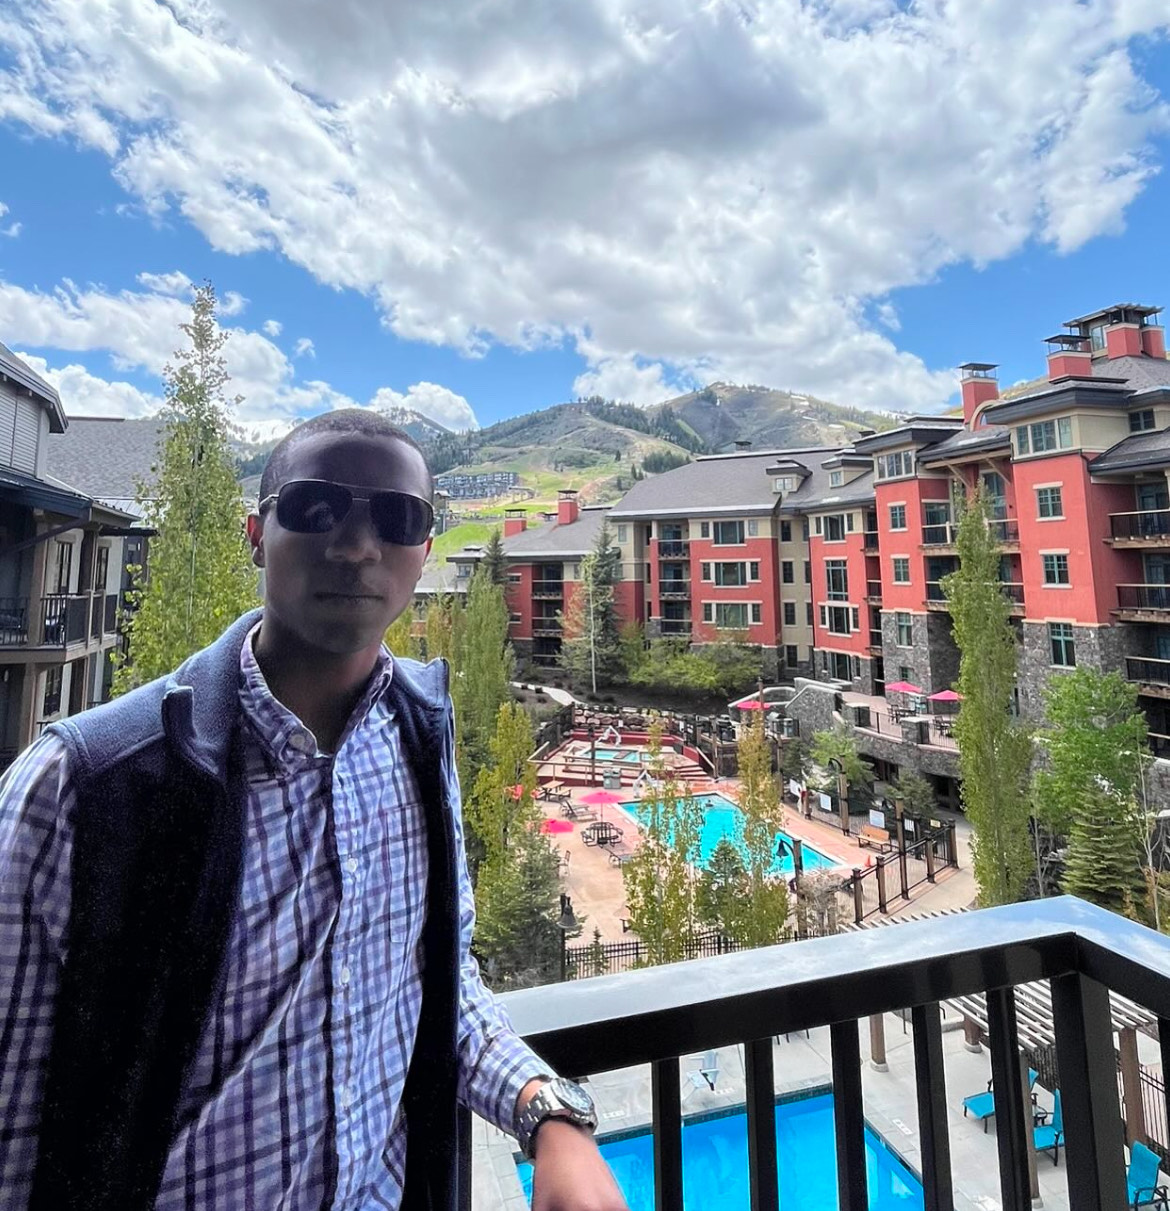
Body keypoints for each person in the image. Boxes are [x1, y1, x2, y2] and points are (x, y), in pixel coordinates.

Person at [0, 410, 626, 1211]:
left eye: (397, 517)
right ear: (256, 534)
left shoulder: (419, 736)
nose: (358, 545)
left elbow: (438, 981)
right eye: (317, 506)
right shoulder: (80, 787)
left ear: (425, 549)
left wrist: (546, 1112)